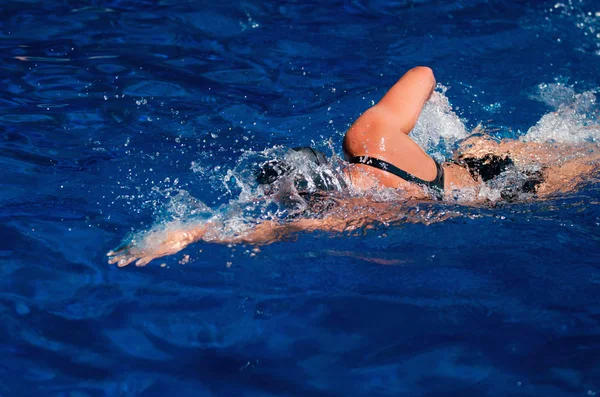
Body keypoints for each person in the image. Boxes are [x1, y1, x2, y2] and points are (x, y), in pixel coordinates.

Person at [107, 66, 600, 267]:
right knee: (570, 138)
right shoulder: (369, 137)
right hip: (477, 156)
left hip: (509, 192)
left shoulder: (355, 211)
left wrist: (189, 235)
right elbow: (425, 75)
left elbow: (265, 233)